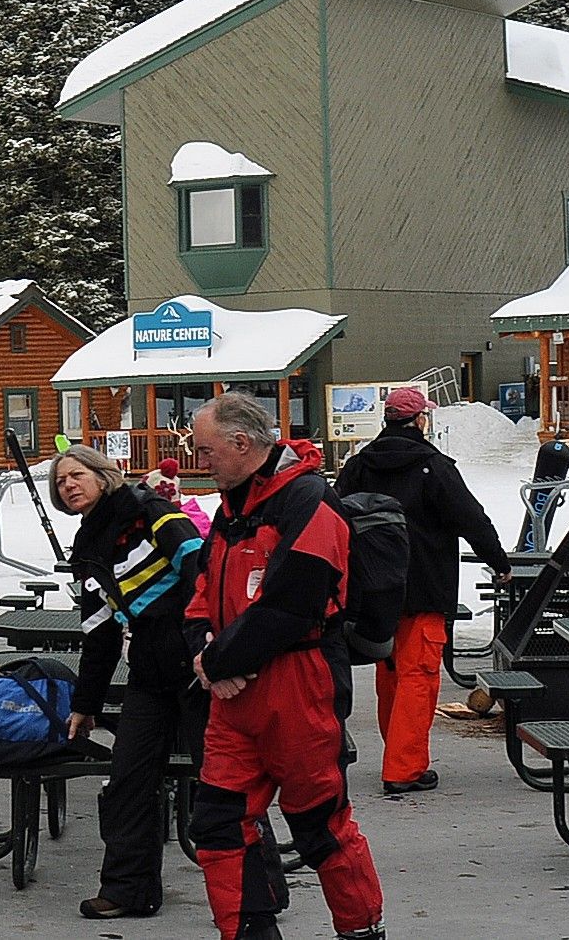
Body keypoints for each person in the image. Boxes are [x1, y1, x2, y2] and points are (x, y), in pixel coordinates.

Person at [184, 394, 383, 940]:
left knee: (319, 825)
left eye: (206, 451)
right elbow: (202, 589)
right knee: (218, 823)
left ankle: (361, 929)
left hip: (300, 687)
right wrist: (205, 654)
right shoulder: (233, 504)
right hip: (233, 695)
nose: (201, 461)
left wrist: (217, 660)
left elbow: (292, 607)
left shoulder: (310, 503)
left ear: (242, 445)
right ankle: (249, 929)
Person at [53, 444, 211, 921]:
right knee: (127, 781)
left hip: (198, 667)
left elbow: (201, 571)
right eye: (61, 482)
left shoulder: (152, 513)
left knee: (222, 781)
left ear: (103, 476)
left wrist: (207, 643)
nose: (69, 485)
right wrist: (86, 702)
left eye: (77, 475)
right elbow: (98, 630)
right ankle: (128, 890)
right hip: (148, 670)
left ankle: (257, 886)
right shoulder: (88, 547)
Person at [336, 386, 512, 795]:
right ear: (419, 421)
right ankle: (404, 767)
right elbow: (472, 518)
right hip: (424, 585)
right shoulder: (434, 466)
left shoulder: (359, 465)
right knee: (420, 675)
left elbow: (332, 516)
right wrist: (498, 562)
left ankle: (396, 752)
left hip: (372, 588)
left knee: (390, 672)